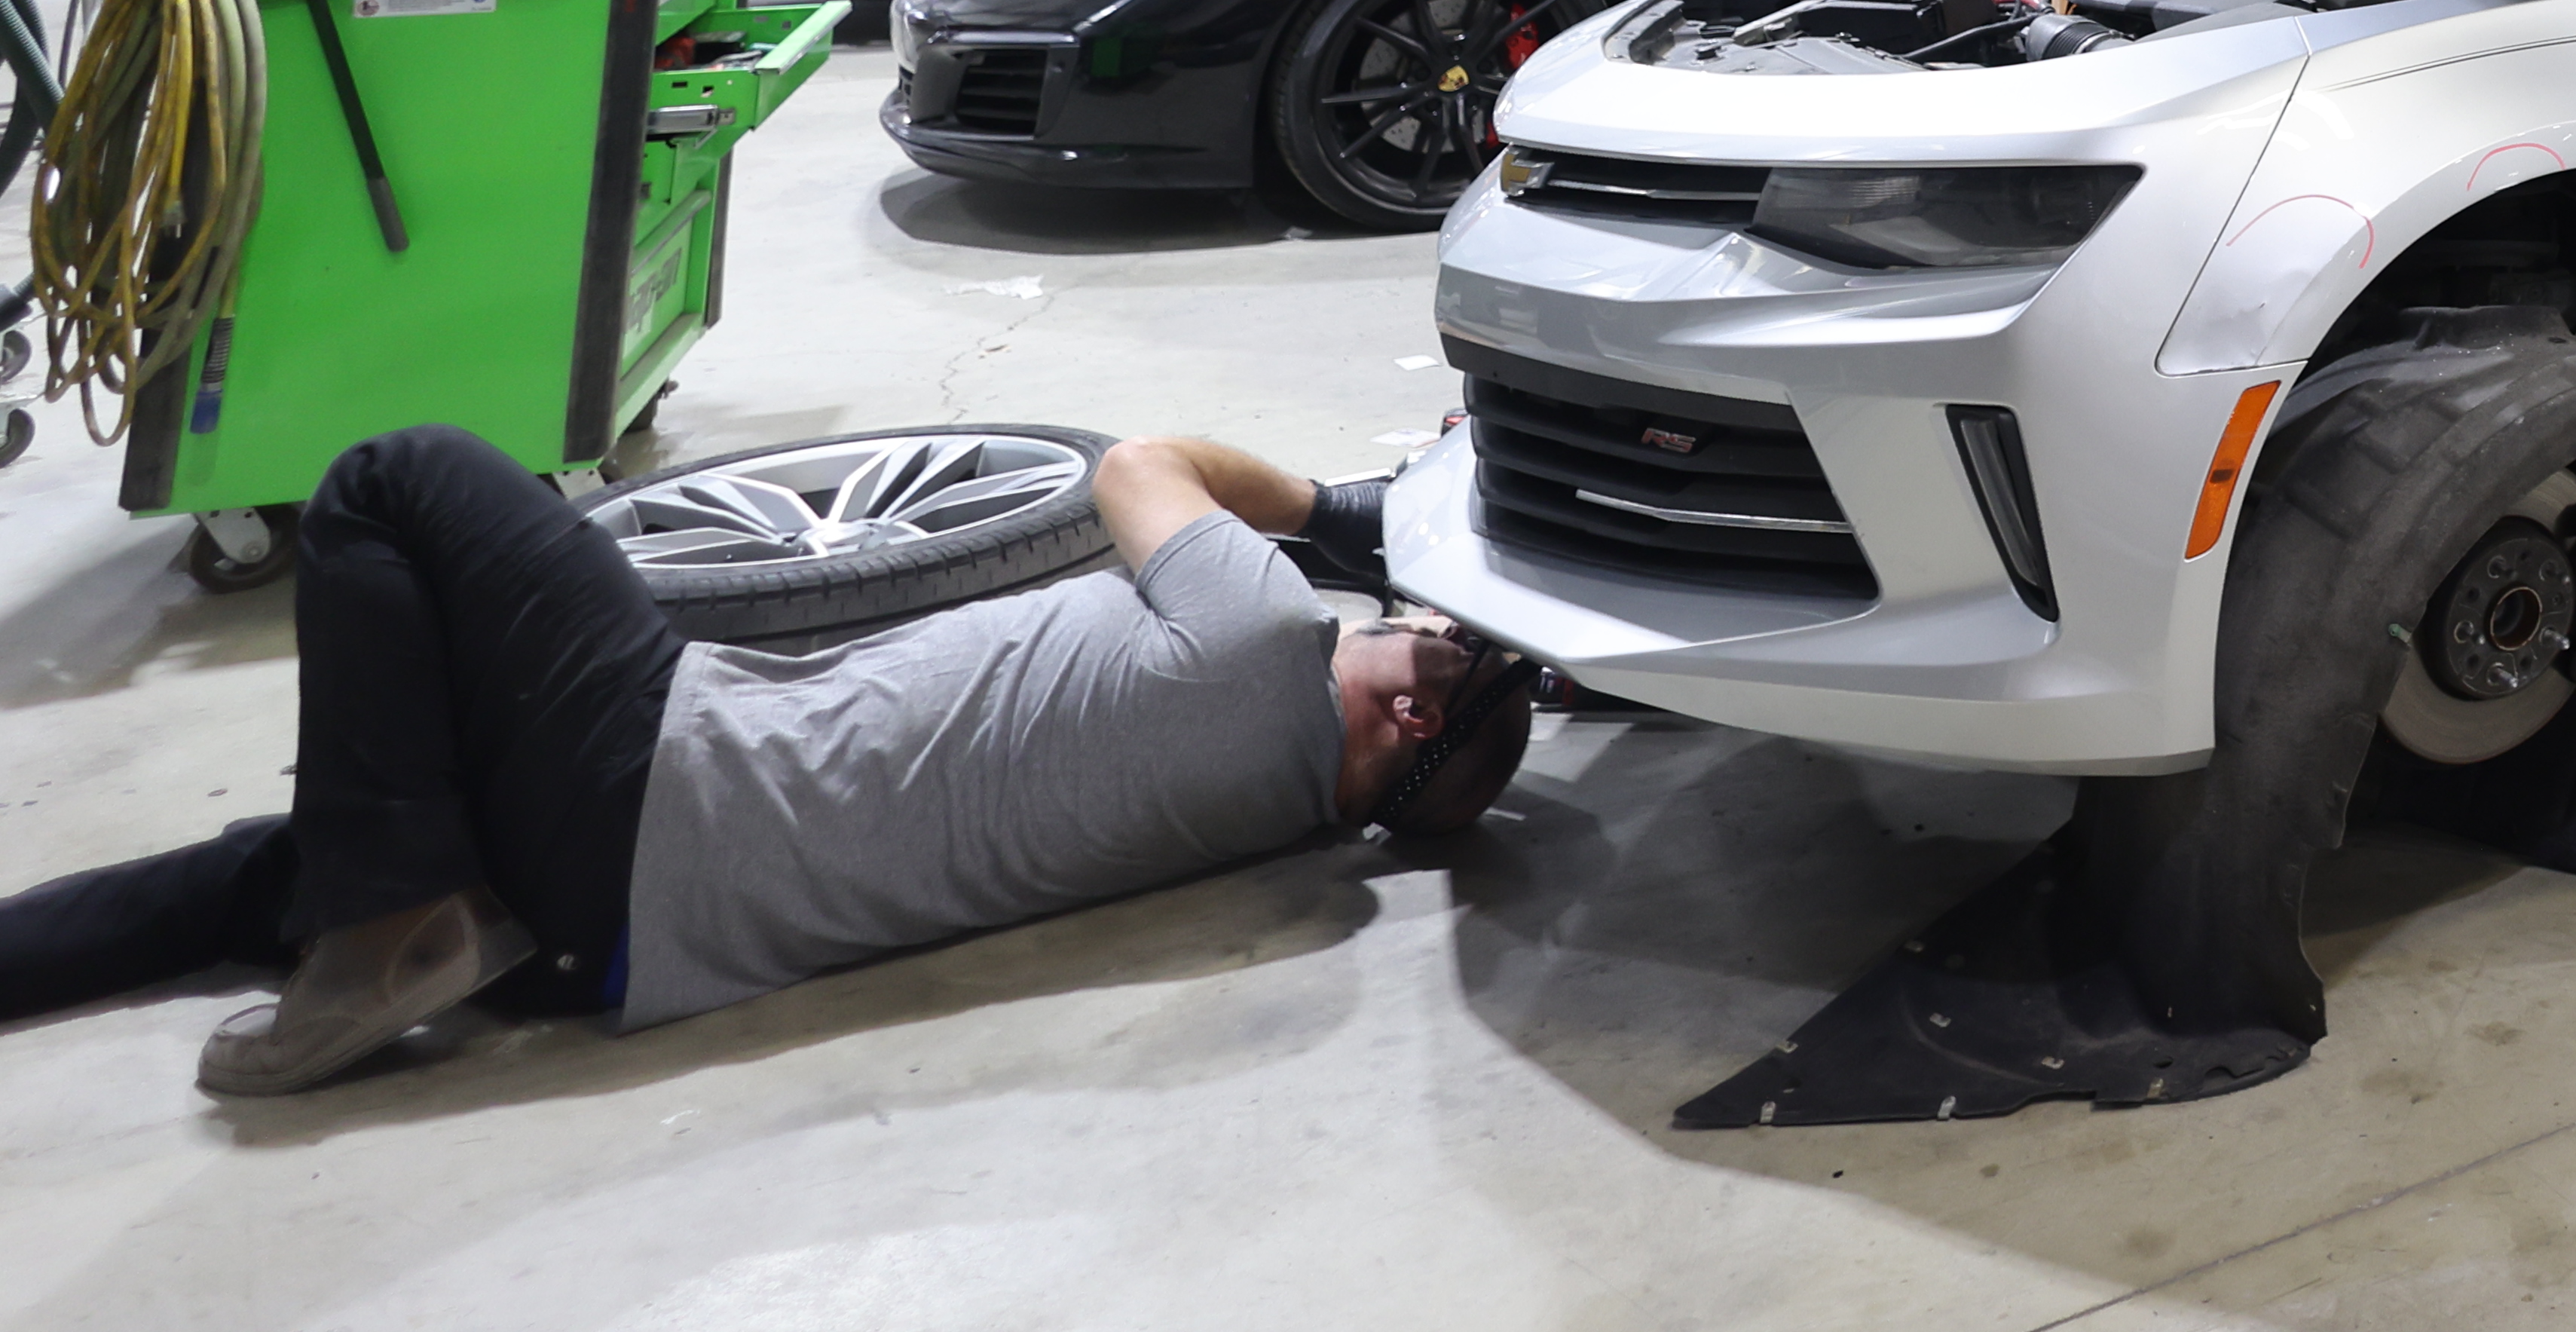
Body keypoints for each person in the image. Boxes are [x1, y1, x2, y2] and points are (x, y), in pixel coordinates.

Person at [0, 421, 1528, 1097]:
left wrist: (1338, 506)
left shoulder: (1262, 637)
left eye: (1428, 641)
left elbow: (1141, 466)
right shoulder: (1270, 834)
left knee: (397, 478)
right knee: (262, 873)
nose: (1403, 616)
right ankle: (394, 900)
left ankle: (395, 906)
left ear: (1405, 718)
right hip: (601, 941)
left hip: (666, 770)